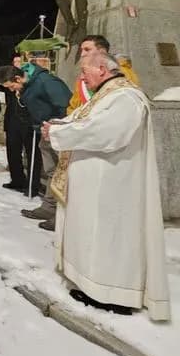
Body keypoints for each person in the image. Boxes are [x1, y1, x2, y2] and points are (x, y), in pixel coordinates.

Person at [43, 53, 170, 320]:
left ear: (102, 69)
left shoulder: (127, 98)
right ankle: (93, 287)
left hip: (115, 186)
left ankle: (114, 294)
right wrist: (56, 126)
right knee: (95, 235)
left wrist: (57, 133)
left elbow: (104, 132)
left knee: (110, 237)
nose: (81, 77)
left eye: (85, 70)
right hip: (98, 186)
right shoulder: (106, 95)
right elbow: (82, 120)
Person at [0, 62, 71, 231]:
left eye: (11, 85)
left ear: (18, 77)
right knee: (52, 172)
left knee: (63, 173)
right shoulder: (25, 87)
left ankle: (62, 214)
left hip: (58, 131)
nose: (11, 90)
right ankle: (48, 208)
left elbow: (67, 104)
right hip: (43, 132)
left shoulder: (46, 81)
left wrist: (58, 126)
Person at [67, 35, 139, 113]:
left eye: (87, 50)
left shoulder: (122, 71)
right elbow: (73, 107)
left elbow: (128, 101)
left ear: (102, 51)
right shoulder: (83, 78)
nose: (82, 54)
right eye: (82, 50)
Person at [0, 54, 33, 191]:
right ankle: (17, 180)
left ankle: (31, 185)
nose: (17, 64)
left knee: (31, 153)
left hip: (27, 122)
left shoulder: (28, 81)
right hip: (12, 121)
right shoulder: (8, 82)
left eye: (20, 62)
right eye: (15, 62)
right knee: (13, 153)